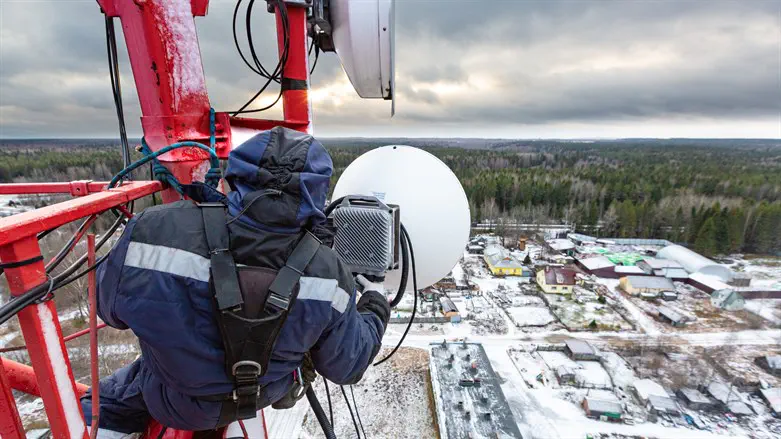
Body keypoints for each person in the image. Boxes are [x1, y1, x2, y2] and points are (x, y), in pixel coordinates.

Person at [82, 127, 391, 436]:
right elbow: (347, 365)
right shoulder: (329, 272)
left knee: (108, 400)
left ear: (236, 174)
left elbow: (109, 311)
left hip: (172, 399)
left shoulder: (154, 230)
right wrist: (375, 303)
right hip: (263, 393)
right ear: (316, 195)